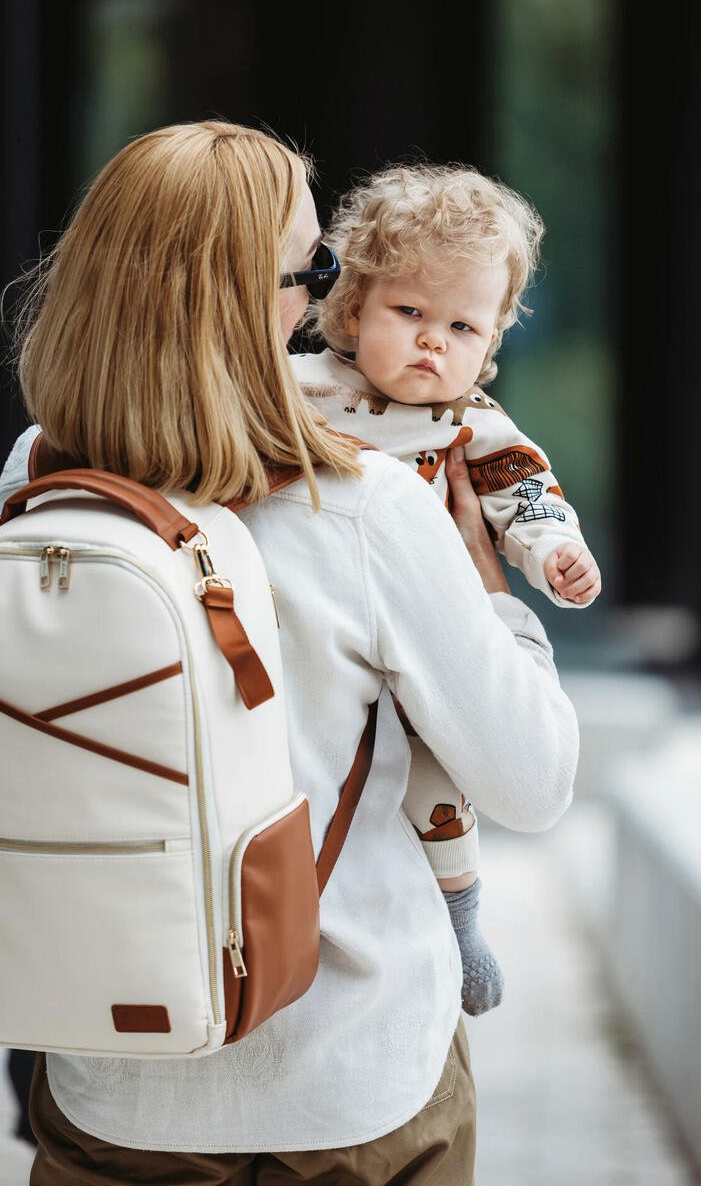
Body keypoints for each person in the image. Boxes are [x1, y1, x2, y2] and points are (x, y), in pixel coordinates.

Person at [0, 120, 579, 1185]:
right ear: (249, 295)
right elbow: (533, 781)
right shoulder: (366, 505)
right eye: (313, 268)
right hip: (353, 1078)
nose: (322, 297)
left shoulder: (36, 471)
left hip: (113, 1060)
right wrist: (492, 592)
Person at [293, 162, 601, 1017]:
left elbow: (524, 496)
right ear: (353, 308)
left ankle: (461, 914)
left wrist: (551, 558)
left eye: (462, 326)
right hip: (323, 634)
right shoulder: (300, 392)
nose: (434, 342)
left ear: (490, 342)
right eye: (410, 313)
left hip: (430, 639)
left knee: (437, 775)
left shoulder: (473, 425)